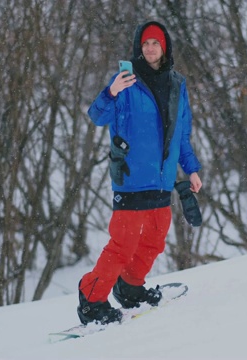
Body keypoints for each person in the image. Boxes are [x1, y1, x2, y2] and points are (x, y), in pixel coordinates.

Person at [77, 20, 202, 325]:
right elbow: (96, 116)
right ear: (138, 47)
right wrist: (110, 91)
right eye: (145, 43)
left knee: (156, 239)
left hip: (161, 178)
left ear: (164, 47)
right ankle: (91, 299)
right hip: (132, 176)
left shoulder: (177, 84)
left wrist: (192, 169)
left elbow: (180, 134)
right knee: (122, 245)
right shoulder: (126, 79)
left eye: (155, 43)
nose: (149, 48)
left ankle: (130, 287)